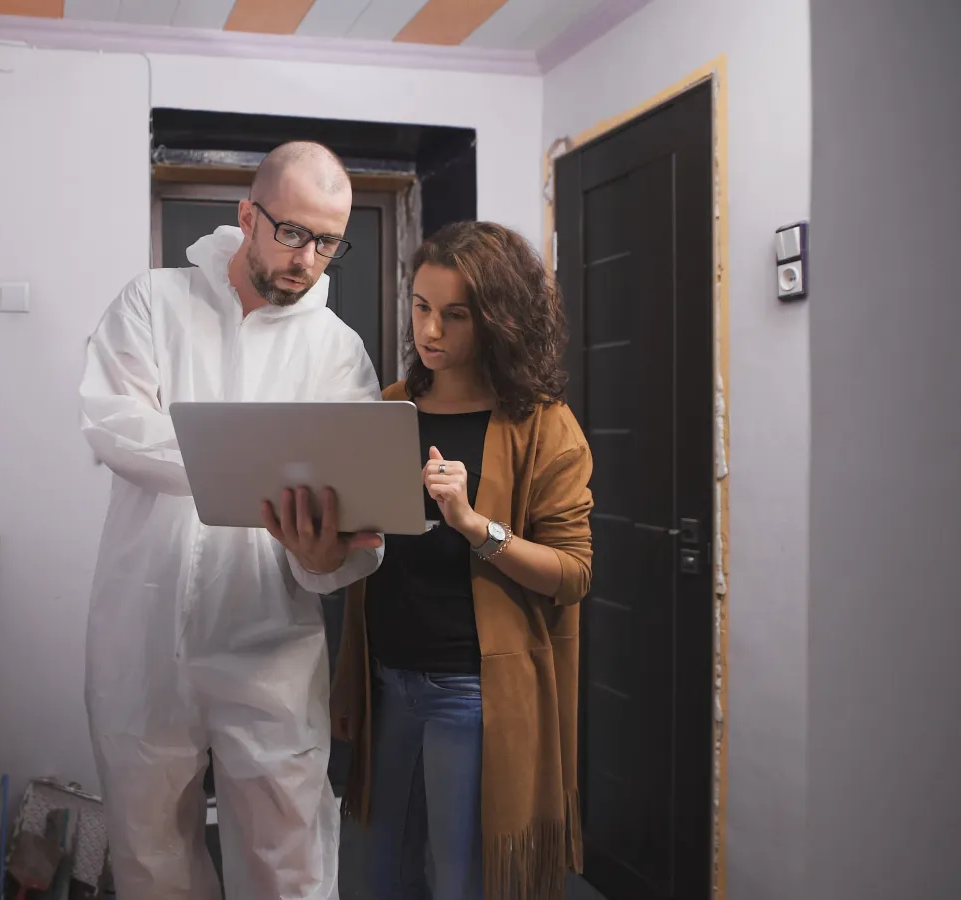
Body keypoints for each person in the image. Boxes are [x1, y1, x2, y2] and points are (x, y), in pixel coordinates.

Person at [78, 141, 384, 900]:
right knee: (151, 861)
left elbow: (352, 536)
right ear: (247, 215)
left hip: (271, 647)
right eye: (292, 233)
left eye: (328, 242)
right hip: (142, 636)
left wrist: (324, 557)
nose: (308, 259)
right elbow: (115, 427)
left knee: (290, 866)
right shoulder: (154, 302)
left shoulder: (339, 354)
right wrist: (256, 471)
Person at [331, 221, 594, 900]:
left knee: (460, 882)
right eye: (421, 307)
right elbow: (361, 554)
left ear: (499, 319)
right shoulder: (389, 408)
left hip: (472, 695)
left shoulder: (541, 423)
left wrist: (477, 525)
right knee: (382, 876)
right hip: (386, 680)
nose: (431, 331)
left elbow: (573, 572)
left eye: (454, 314)